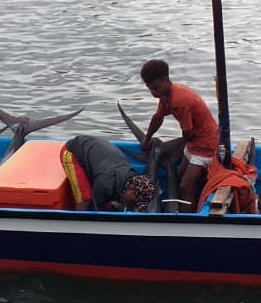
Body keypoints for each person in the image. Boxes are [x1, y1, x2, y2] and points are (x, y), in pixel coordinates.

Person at [139, 59, 219, 213]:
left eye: (155, 88)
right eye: (150, 89)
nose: (153, 93)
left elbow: (188, 134)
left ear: (166, 81)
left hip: (206, 144)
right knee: (180, 176)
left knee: (185, 186)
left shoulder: (179, 101)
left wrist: (163, 148)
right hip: (194, 142)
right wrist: (147, 139)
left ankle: (186, 220)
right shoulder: (166, 95)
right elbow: (157, 118)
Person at [60, 135, 157, 212]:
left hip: (97, 156)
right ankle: (79, 227)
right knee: (85, 198)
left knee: (109, 206)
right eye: (134, 202)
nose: (135, 206)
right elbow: (94, 208)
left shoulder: (131, 177)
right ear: (130, 188)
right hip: (71, 152)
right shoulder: (105, 183)